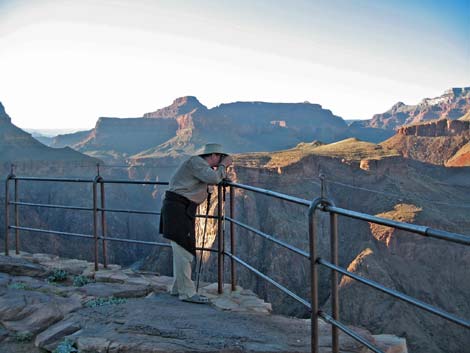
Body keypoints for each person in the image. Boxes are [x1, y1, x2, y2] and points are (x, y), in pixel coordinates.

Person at [159, 143, 233, 304]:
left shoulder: (198, 166)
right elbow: (213, 178)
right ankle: (187, 293)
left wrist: (220, 174)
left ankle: (178, 288)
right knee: (183, 251)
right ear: (213, 155)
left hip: (179, 209)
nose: (221, 160)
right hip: (178, 209)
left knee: (181, 250)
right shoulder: (196, 162)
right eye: (220, 157)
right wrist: (223, 166)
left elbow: (211, 179)